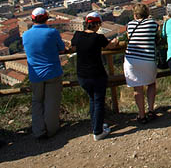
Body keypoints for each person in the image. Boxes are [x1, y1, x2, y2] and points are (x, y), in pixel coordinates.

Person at [71, 12, 119, 140]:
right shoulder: (98, 38)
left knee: (92, 99)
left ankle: (95, 125)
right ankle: (98, 132)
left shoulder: (77, 35)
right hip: (96, 74)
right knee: (98, 102)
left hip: (82, 75)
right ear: (97, 24)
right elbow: (111, 46)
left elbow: (72, 46)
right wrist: (116, 41)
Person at [22, 8, 66, 139]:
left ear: (32, 19)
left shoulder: (25, 35)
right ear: (47, 18)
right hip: (52, 72)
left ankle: (38, 131)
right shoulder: (52, 32)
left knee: (37, 102)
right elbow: (62, 48)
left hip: (35, 75)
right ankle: (51, 129)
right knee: (51, 102)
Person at [124, 3, 159, 124]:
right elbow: (156, 36)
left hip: (131, 60)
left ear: (135, 14)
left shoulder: (129, 25)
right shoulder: (153, 23)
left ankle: (141, 115)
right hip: (148, 58)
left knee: (137, 88)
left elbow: (129, 38)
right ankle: (151, 110)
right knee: (151, 84)